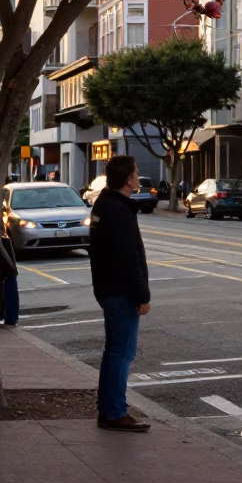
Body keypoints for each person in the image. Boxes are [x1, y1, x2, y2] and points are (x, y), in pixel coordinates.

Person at [89, 155, 151, 432]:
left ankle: (108, 409)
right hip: (120, 291)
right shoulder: (118, 210)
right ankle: (115, 412)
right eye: (136, 173)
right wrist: (142, 295)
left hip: (107, 288)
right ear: (128, 179)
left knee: (113, 352)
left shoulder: (105, 204)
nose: (138, 177)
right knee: (122, 353)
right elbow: (129, 258)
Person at [0, 223, 20, 327]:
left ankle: (10, 317)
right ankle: (10, 317)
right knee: (9, 280)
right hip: (3, 245)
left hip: (1, 247)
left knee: (8, 281)